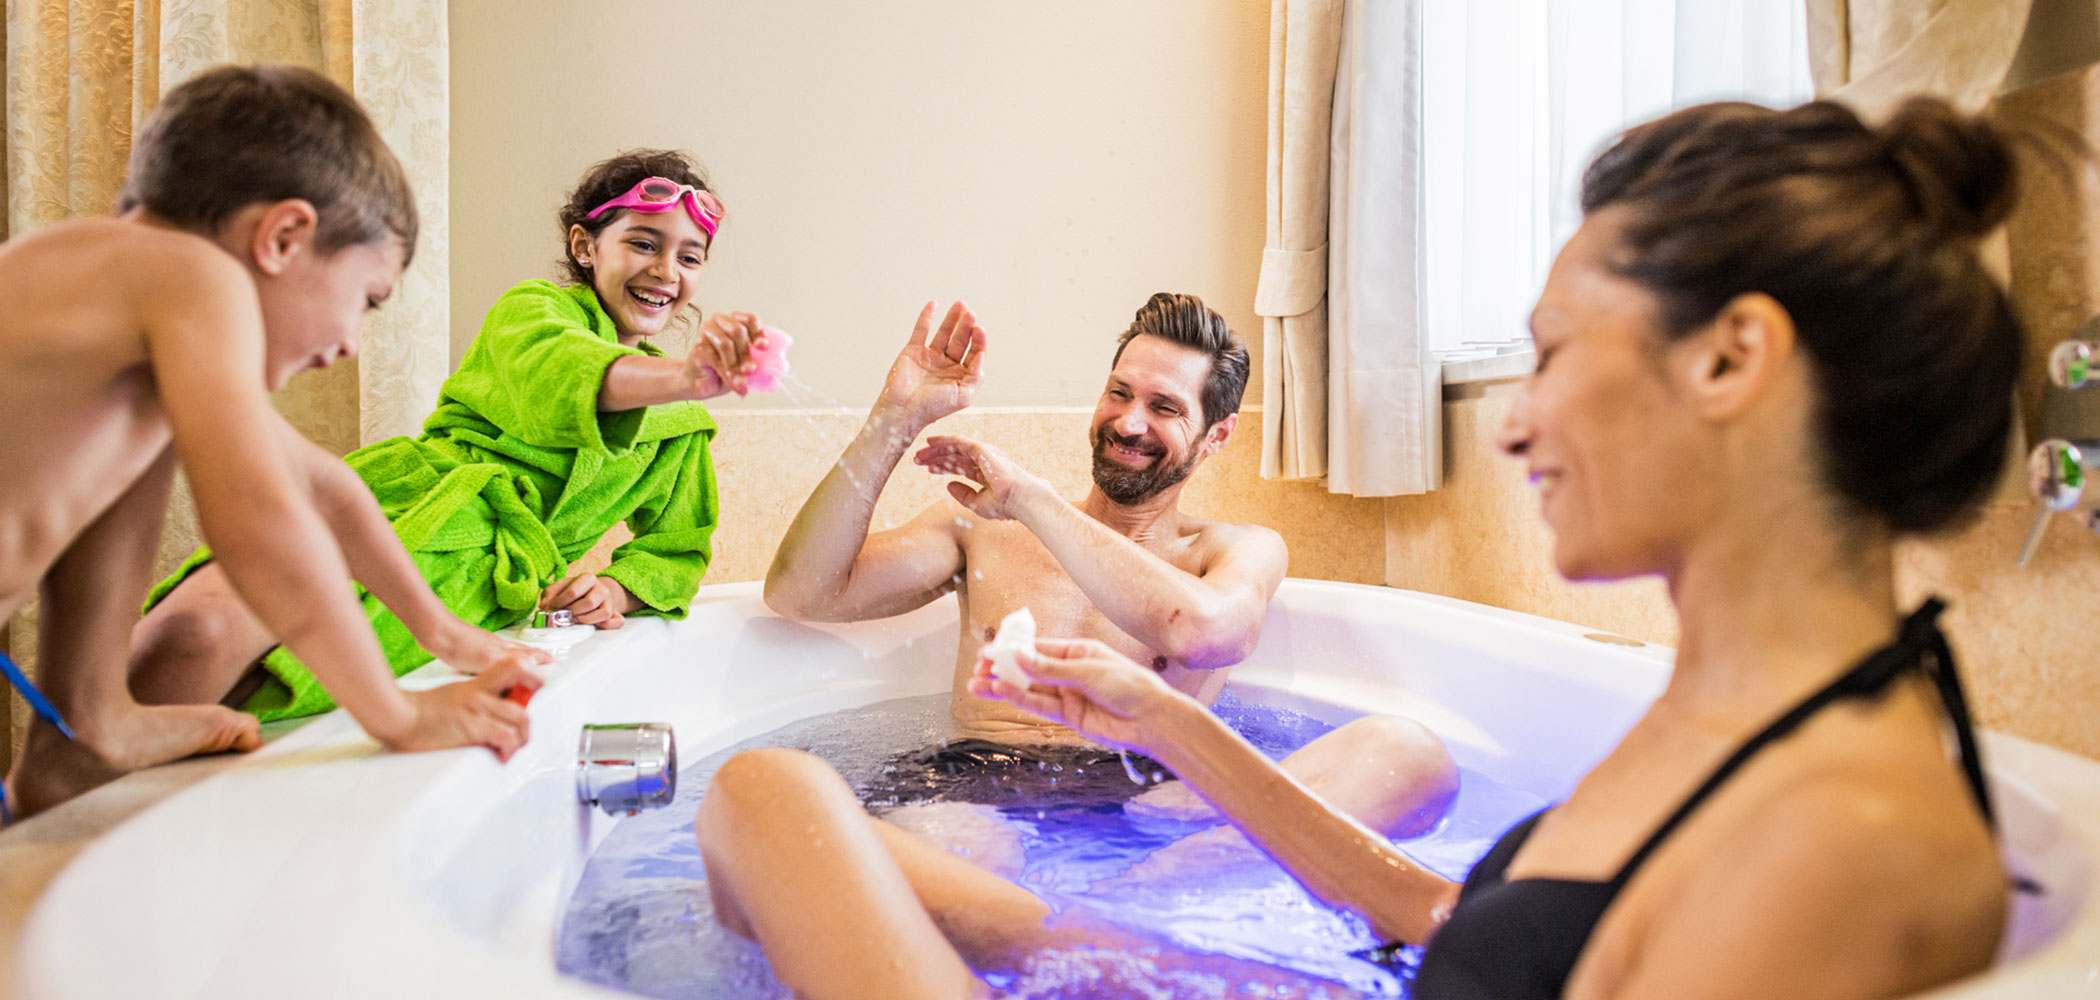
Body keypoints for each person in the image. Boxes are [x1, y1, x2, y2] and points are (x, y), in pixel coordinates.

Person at [977, 96, 2023, 999]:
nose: (1515, 426)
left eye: (1556, 351)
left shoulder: (1850, 838)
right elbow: (1458, 924)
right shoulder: (1738, 712)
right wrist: (1166, 723)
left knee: (821, 825)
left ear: (1730, 360)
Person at [696, 293, 1460, 996]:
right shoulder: (977, 528)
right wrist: (896, 419)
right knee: (939, 840)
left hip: (1154, 806)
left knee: (1405, 752)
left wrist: (1032, 500)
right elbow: (801, 591)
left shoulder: (1230, 549)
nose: (1128, 422)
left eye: (1164, 407)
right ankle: (1108, 945)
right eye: (1120, 393)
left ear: (1217, 434)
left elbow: (1201, 631)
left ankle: (1085, 928)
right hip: (977, 788)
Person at [0, 65, 548, 820]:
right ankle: (90, 720)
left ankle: (88, 721)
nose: (353, 342)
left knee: (152, 428)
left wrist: (443, 631)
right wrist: (396, 712)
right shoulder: (197, 278)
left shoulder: (76, 272)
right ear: (284, 236)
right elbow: (260, 521)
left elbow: (320, 486)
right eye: (366, 299)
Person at [129, 149, 760, 729]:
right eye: (643, 243)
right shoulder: (535, 313)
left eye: (689, 257)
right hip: (403, 508)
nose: (664, 271)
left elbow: (677, 549)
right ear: (586, 246)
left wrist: (612, 590)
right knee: (197, 634)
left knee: (267, 712)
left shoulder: (680, 426)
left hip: (479, 595)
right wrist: (681, 376)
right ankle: (75, 804)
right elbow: (559, 374)